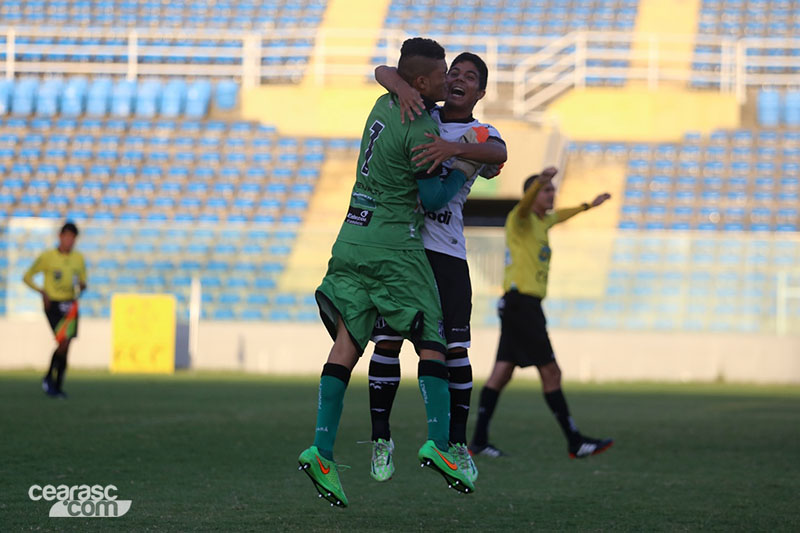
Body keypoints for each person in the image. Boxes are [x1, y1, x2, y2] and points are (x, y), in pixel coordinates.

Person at [297, 38, 485, 508]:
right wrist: (463, 168)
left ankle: (321, 452)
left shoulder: (382, 103)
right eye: (443, 74)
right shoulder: (421, 125)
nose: (448, 80)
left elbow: (385, 71)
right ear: (422, 83)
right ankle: (442, 445)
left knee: (347, 342)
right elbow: (436, 200)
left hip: (351, 236)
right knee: (434, 339)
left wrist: (395, 79)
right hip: (393, 246)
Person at [366, 52, 506, 485]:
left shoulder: (480, 132)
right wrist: (403, 87)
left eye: (471, 77)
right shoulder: (418, 110)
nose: (460, 79)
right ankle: (380, 440)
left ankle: (457, 445)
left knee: (453, 351)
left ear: (480, 92)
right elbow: (383, 70)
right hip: (402, 249)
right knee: (387, 343)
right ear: (443, 82)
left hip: (446, 255)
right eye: (455, 73)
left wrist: (454, 148)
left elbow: (499, 152)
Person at [469, 170, 615, 459]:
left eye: (552, 190)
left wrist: (589, 206)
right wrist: (536, 183)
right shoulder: (520, 218)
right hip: (522, 305)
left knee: (502, 372)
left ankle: (478, 442)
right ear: (533, 194)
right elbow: (523, 205)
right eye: (546, 190)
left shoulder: (542, 221)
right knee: (552, 372)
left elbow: (561, 215)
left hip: (519, 305)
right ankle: (575, 441)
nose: (552, 194)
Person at [23, 221, 87, 399]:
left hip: (71, 304)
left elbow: (83, 281)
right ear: (60, 237)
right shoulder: (48, 257)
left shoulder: (78, 258)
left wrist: (82, 286)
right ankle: (48, 378)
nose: (69, 241)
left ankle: (57, 386)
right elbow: (27, 277)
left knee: (67, 345)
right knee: (63, 342)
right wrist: (42, 292)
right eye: (66, 237)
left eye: (72, 238)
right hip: (53, 305)